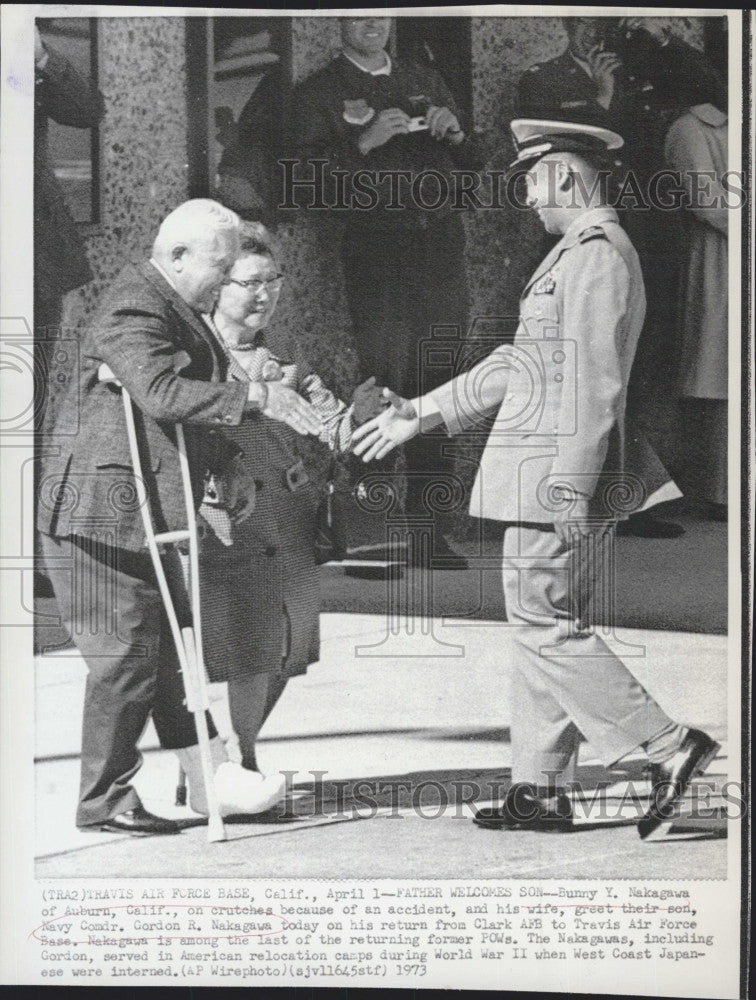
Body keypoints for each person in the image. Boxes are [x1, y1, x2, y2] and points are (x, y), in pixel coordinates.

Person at [353, 121, 720, 840]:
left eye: (528, 180)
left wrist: (570, 487)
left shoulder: (594, 258)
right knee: (540, 625)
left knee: (544, 620)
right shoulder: (574, 256)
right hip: (541, 469)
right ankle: (541, 790)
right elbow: (515, 364)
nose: (524, 196)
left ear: (563, 177)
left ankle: (667, 746)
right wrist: (420, 414)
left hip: (552, 473)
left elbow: (593, 382)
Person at [38, 200, 323, 836]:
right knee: (130, 658)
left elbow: (175, 414)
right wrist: (258, 397)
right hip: (98, 516)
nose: (226, 283)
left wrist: (228, 463)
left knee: (173, 652)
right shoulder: (136, 304)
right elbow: (161, 393)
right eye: (220, 269)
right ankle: (102, 801)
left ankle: (209, 779)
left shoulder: (178, 307)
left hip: (139, 512)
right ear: (177, 257)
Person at [177, 222, 386, 816]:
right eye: (250, 282)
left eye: (274, 281)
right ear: (218, 287)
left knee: (288, 654)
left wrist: (363, 416)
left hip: (290, 522)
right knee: (249, 651)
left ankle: (223, 764)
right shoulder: (195, 361)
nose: (265, 294)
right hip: (230, 524)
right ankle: (234, 766)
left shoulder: (287, 362)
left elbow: (336, 430)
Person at [289, 16, 485, 567]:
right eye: (358, 13)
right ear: (339, 23)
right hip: (379, 254)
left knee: (438, 388)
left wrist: (458, 135)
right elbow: (306, 184)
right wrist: (364, 143)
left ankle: (428, 534)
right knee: (382, 389)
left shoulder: (426, 77)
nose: (373, 22)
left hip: (441, 250)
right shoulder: (320, 92)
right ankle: (371, 539)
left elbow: (475, 163)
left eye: (382, 11)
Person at [516, 16, 723, 539]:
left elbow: (715, 88)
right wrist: (602, 101)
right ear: (563, 22)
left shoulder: (641, 65)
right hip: (589, 236)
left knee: (643, 363)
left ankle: (629, 493)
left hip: (651, 236)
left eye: (603, 21)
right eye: (581, 20)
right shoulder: (545, 79)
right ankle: (604, 495)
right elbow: (560, 161)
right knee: (594, 366)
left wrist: (662, 35)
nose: (593, 31)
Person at [664, 94, 728, 520]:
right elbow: (707, 201)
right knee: (724, 375)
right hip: (722, 256)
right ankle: (723, 490)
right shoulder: (691, 129)